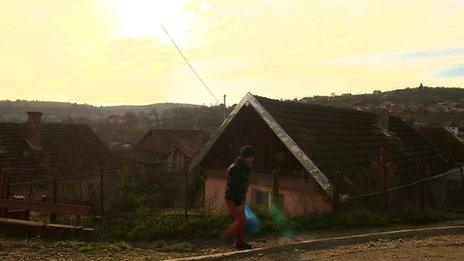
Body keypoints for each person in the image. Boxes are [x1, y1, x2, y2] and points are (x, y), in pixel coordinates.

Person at [222, 145, 255, 250]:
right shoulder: (235, 169)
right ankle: (226, 236)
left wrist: (242, 199)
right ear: (246, 156)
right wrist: (238, 204)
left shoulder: (246, 167)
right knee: (242, 220)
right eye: (252, 156)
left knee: (242, 220)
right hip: (232, 199)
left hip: (240, 198)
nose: (253, 158)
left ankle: (239, 243)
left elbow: (243, 184)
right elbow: (232, 188)